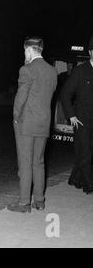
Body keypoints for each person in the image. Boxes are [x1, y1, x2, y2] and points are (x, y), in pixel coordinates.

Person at [7, 37, 57, 213]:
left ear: (29, 50)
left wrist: (15, 116)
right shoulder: (52, 71)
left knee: (26, 163)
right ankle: (40, 200)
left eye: (24, 51)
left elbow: (21, 98)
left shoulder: (26, 69)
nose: (24, 54)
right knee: (39, 162)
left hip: (26, 123)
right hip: (44, 123)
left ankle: (23, 203)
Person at [61, 36, 93, 194]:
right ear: (91, 52)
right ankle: (89, 185)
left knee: (87, 152)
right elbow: (65, 94)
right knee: (85, 153)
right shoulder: (80, 71)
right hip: (81, 120)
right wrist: (71, 116)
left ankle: (75, 178)